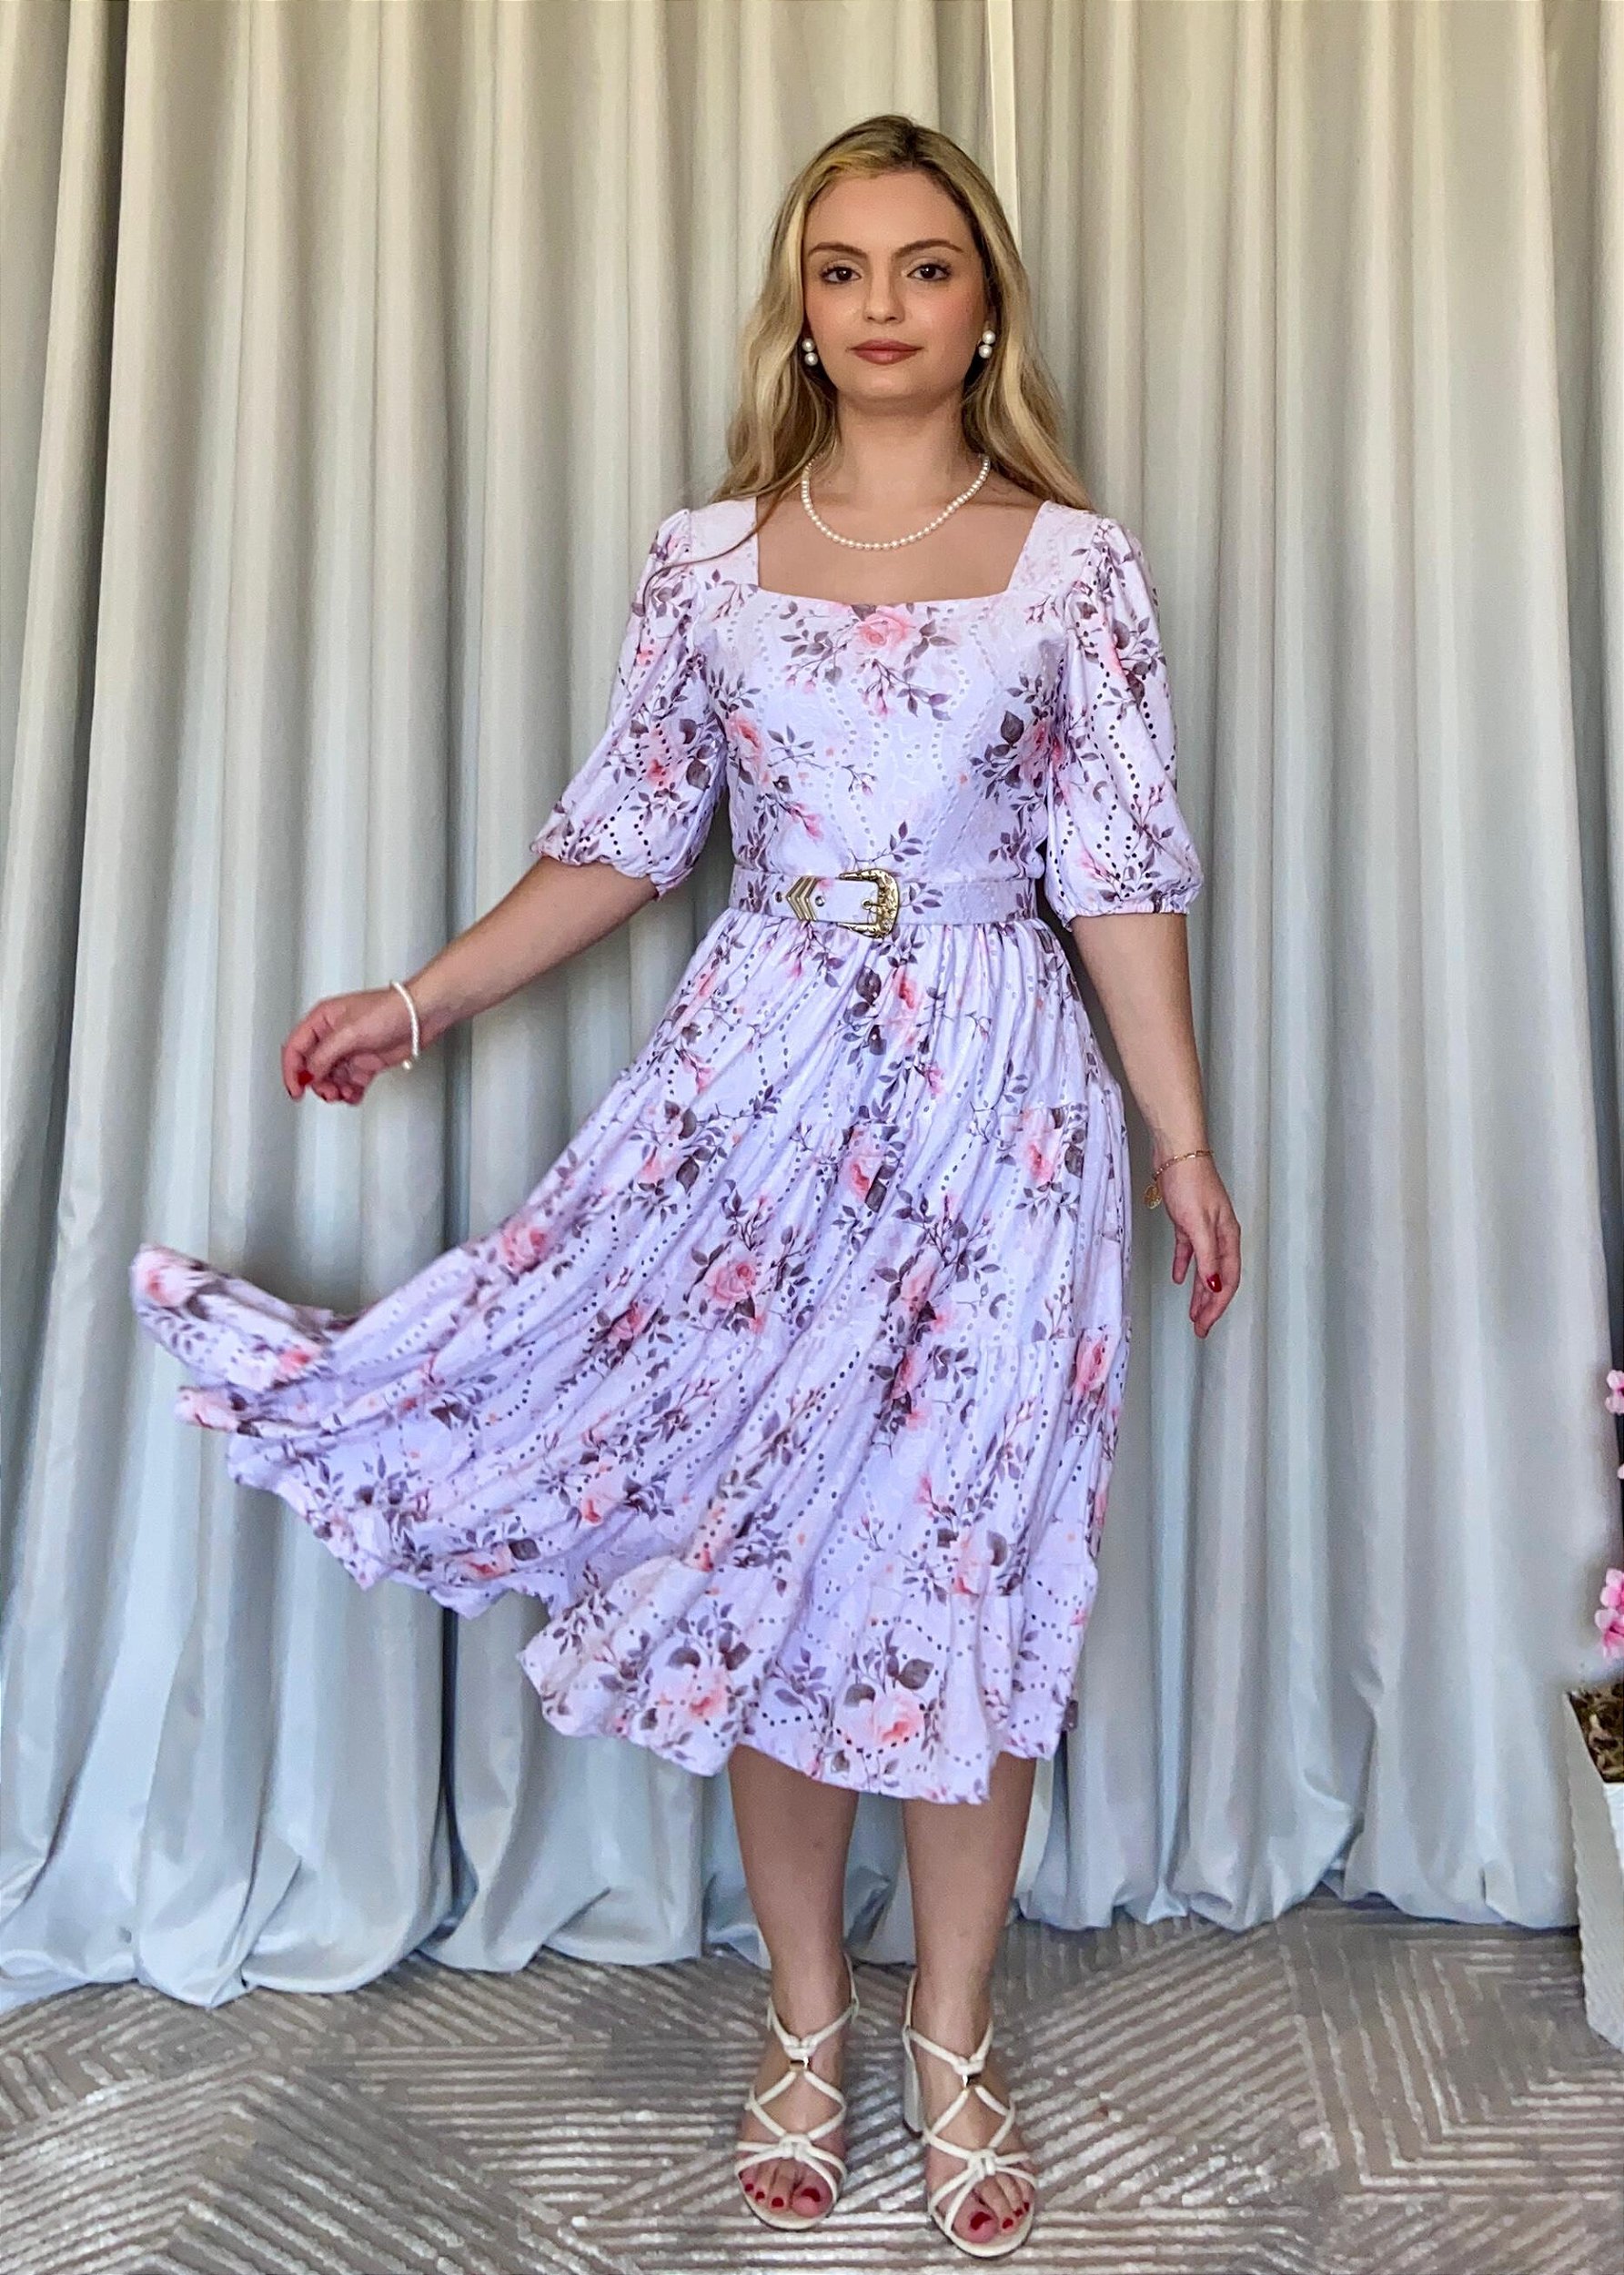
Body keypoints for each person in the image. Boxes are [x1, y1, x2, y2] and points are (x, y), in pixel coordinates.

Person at [129, 113, 1240, 2261]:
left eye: (925, 266)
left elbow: (1118, 874)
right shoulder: (707, 559)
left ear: (983, 306)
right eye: (842, 269)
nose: (884, 305)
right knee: (766, 1562)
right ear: (799, 311)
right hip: (758, 1094)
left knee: (968, 1561)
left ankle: (953, 2027)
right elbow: (628, 835)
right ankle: (806, 2013)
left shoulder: (1073, 565)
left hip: (1000, 1105)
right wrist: (421, 998)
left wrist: (1180, 1139)